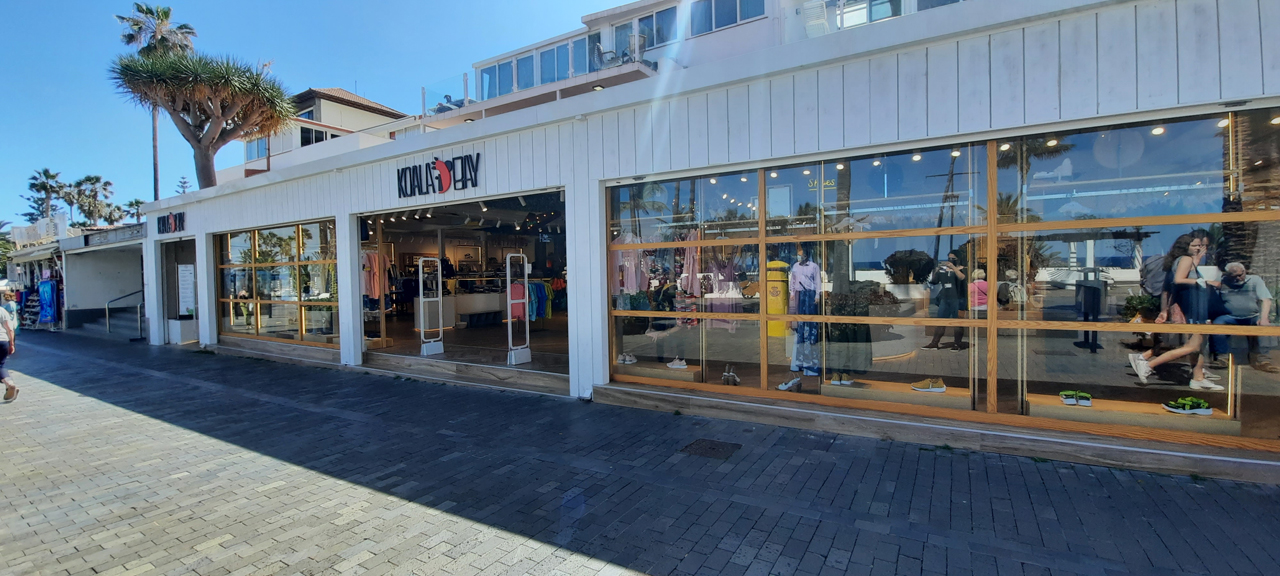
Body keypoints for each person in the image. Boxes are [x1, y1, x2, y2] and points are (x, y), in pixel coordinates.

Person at [1128, 232, 1220, 390]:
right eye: (1195, 245)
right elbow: (1179, 280)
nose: (1199, 248)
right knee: (1192, 346)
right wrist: (1206, 281)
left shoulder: (1180, 261)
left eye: (1200, 245)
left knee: (1197, 345)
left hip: (1189, 307)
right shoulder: (1185, 259)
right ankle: (1148, 365)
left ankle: (1198, 377)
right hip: (1193, 308)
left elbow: (1170, 286)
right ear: (1186, 246)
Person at [1210, 262, 1277, 373]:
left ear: (1245, 271)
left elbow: (1266, 299)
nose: (1238, 278)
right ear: (1228, 275)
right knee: (1217, 324)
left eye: (1240, 274)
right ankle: (1222, 357)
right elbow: (1213, 300)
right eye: (1234, 276)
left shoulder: (1255, 280)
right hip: (1229, 316)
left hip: (1252, 316)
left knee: (1264, 328)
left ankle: (1262, 359)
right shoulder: (1222, 281)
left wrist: (1264, 317)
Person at [922, 252, 967, 351]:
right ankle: (934, 343)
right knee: (941, 321)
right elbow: (934, 281)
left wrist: (954, 268)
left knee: (957, 322)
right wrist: (936, 270)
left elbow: (962, 278)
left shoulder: (962, 269)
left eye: (953, 258)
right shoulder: (943, 271)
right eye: (949, 258)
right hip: (945, 299)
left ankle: (957, 344)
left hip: (958, 299)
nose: (950, 260)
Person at [1, 293, 16, 402]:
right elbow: (10, 329)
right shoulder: (2, 310)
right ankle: (9, 385)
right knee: (1, 365)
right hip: (3, 341)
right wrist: (11, 344)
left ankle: (9, 384)